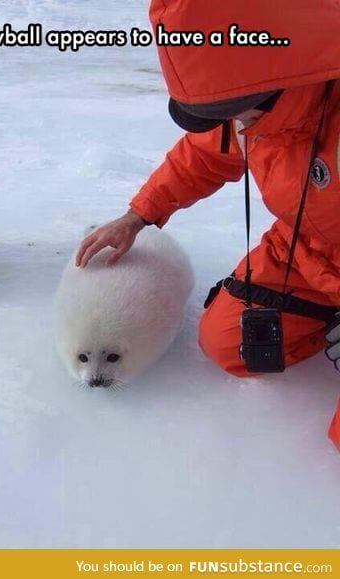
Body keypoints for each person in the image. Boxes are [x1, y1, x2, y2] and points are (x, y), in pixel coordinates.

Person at [76, 0, 340, 449]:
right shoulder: (249, 109)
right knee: (230, 342)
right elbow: (202, 154)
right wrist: (138, 215)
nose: (230, 124)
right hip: (305, 250)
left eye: (233, 110)